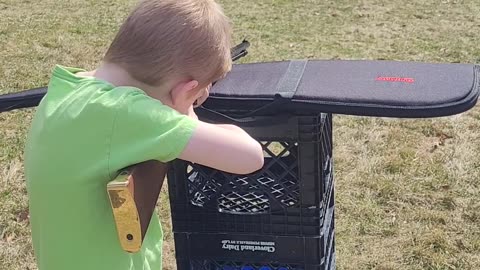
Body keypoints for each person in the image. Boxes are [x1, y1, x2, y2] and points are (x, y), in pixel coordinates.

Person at [23, 0, 264, 269]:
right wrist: (186, 113)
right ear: (185, 89)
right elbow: (249, 156)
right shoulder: (125, 113)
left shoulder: (66, 89)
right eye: (196, 96)